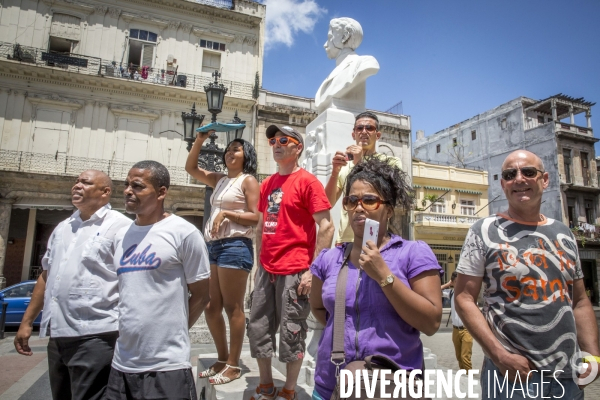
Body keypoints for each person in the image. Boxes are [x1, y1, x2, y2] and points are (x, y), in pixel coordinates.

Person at [454, 150, 600, 399]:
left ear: (544, 180)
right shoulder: (483, 231)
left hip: (569, 378)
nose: (519, 179)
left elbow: (579, 301)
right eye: (510, 175)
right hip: (511, 377)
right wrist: (500, 356)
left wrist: (592, 356)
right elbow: (464, 298)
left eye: (528, 172)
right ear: (503, 184)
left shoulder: (564, 233)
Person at [310, 157, 443, 400]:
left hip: (392, 386)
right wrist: (345, 325)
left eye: (369, 200)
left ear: (389, 210)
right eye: (352, 200)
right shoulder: (329, 259)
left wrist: (383, 275)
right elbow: (319, 308)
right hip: (330, 386)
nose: (358, 207)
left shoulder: (412, 253)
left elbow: (431, 322)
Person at [14, 170, 132, 400]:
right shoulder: (63, 227)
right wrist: (27, 322)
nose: (76, 186)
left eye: (85, 182)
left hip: (97, 335)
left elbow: (131, 280)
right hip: (57, 336)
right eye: (76, 181)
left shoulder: (122, 227)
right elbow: (46, 276)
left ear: (105, 192)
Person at [103, 161, 210, 400]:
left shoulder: (185, 234)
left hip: (167, 366)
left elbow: (202, 295)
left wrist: (172, 332)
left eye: (138, 186)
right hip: (122, 365)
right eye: (127, 185)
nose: (129, 191)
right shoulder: (121, 236)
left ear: (161, 192)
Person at [247, 125, 334, 400]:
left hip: (295, 269)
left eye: (283, 140)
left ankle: (288, 391)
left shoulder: (308, 182)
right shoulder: (268, 184)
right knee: (258, 328)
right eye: (273, 140)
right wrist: (258, 264)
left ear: (298, 148)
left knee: (292, 331)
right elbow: (261, 227)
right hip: (266, 269)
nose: (276, 144)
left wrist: (313, 269)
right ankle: (266, 386)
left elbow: (327, 227)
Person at [185, 132, 260, 384]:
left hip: (236, 245)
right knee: (211, 306)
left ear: (246, 155)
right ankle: (221, 358)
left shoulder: (247, 181)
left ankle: (234, 364)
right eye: (228, 150)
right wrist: (199, 140)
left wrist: (227, 213)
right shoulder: (219, 180)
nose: (230, 152)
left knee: (233, 307)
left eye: (236, 149)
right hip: (213, 246)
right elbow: (191, 167)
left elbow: (256, 216)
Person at [325, 111, 402, 244]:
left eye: (369, 128)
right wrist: (334, 172)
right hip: (346, 240)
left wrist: (360, 162)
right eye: (359, 128)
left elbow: (396, 197)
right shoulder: (345, 166)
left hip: (375, 238)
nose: (364, 131)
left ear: (377, 135)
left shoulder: (391, 162)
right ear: (353, 134)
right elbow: (327, 203)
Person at [315, 17, 380, 113]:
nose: (325, 44)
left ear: (345, 36)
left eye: (329, 38)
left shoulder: (365, 63)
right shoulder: (330, 76)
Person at [441, 271, 473, 371]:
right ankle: (464, 378)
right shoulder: (451, 293)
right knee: (459, 357)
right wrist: (448, 284)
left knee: (465, 358)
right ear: (453, 282)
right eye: (456, 281)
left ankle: (470, 380)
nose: (458, 283)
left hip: (466, 330)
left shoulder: (468, 295)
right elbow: (435, 290)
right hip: (455, 330)